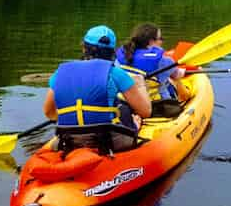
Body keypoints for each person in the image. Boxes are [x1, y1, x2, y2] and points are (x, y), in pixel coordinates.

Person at [43, 25, 152, 153]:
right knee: (124, 109)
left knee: (118, 105)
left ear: (84, 48)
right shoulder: (116, 73)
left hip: (68, 140)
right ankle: (133, 126)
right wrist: (140, 84)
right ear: (113, 51)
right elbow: (146, 112)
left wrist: (75, 122)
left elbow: (49, 112)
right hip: (107, 141)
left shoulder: (59, 73)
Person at [115, 23, 188, 116]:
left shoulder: (121, 58)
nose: (162, 41)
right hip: (158, 106)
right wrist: (183, 72)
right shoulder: (164, 61)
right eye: (160, 38)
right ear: (151, 41)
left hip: (126, 103)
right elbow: (177, 75)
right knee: (169, 84)